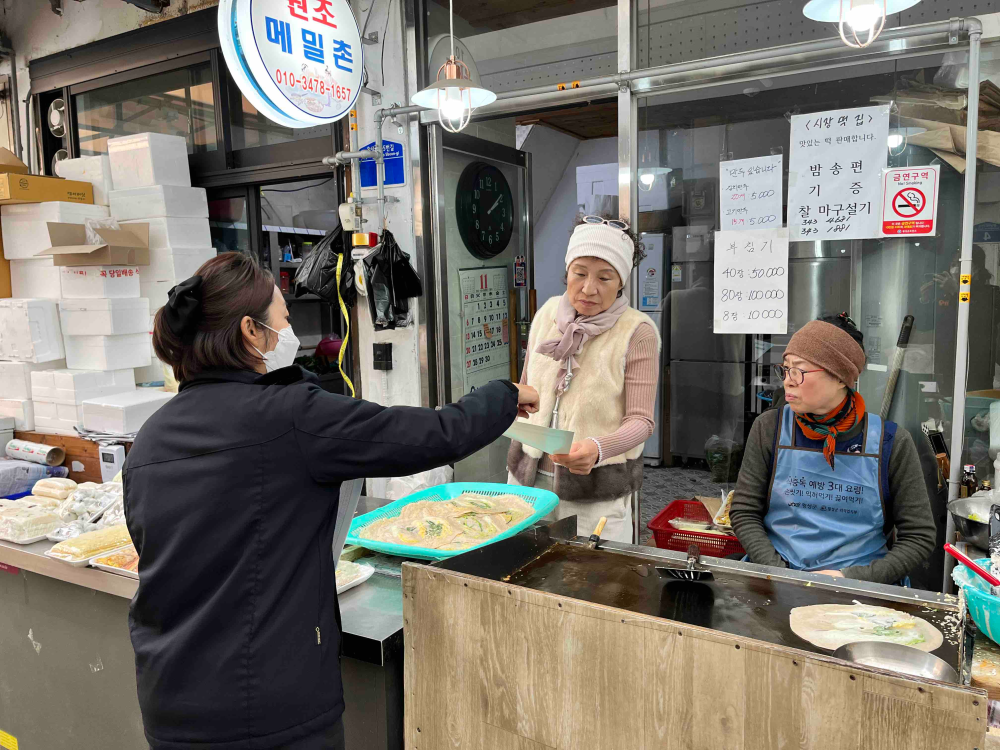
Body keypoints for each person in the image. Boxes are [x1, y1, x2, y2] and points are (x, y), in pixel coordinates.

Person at [123, 253, 539, 750]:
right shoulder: (287, 415)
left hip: (170, 700)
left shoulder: (149, 440)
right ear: (251, 333)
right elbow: (433, 434)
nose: (290, 329)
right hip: (269, 708)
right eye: (284, 317)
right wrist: (504, 394)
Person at [730, 314, 935, 585]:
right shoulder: (769, 428)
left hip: (860, 592)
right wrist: (779, 573)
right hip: (778, 579)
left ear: (840, 378)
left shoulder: (891, 442)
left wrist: (852, 579)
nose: (787, 381)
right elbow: (744, 511)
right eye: (786, 368)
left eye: (799, 371)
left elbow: (919, 536)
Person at [507, 215, 660, 543]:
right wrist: (507, 400)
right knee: (522, 575)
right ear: (567, 273)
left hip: (596, 492)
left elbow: (641, 421)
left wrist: (597, 448)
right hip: (527, 481)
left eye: (605, 278)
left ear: (621, 282)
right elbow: (528, 388)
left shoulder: (637, 332)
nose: (589, 289)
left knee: (596, 585)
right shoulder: (547, 313)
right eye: (579, 274)